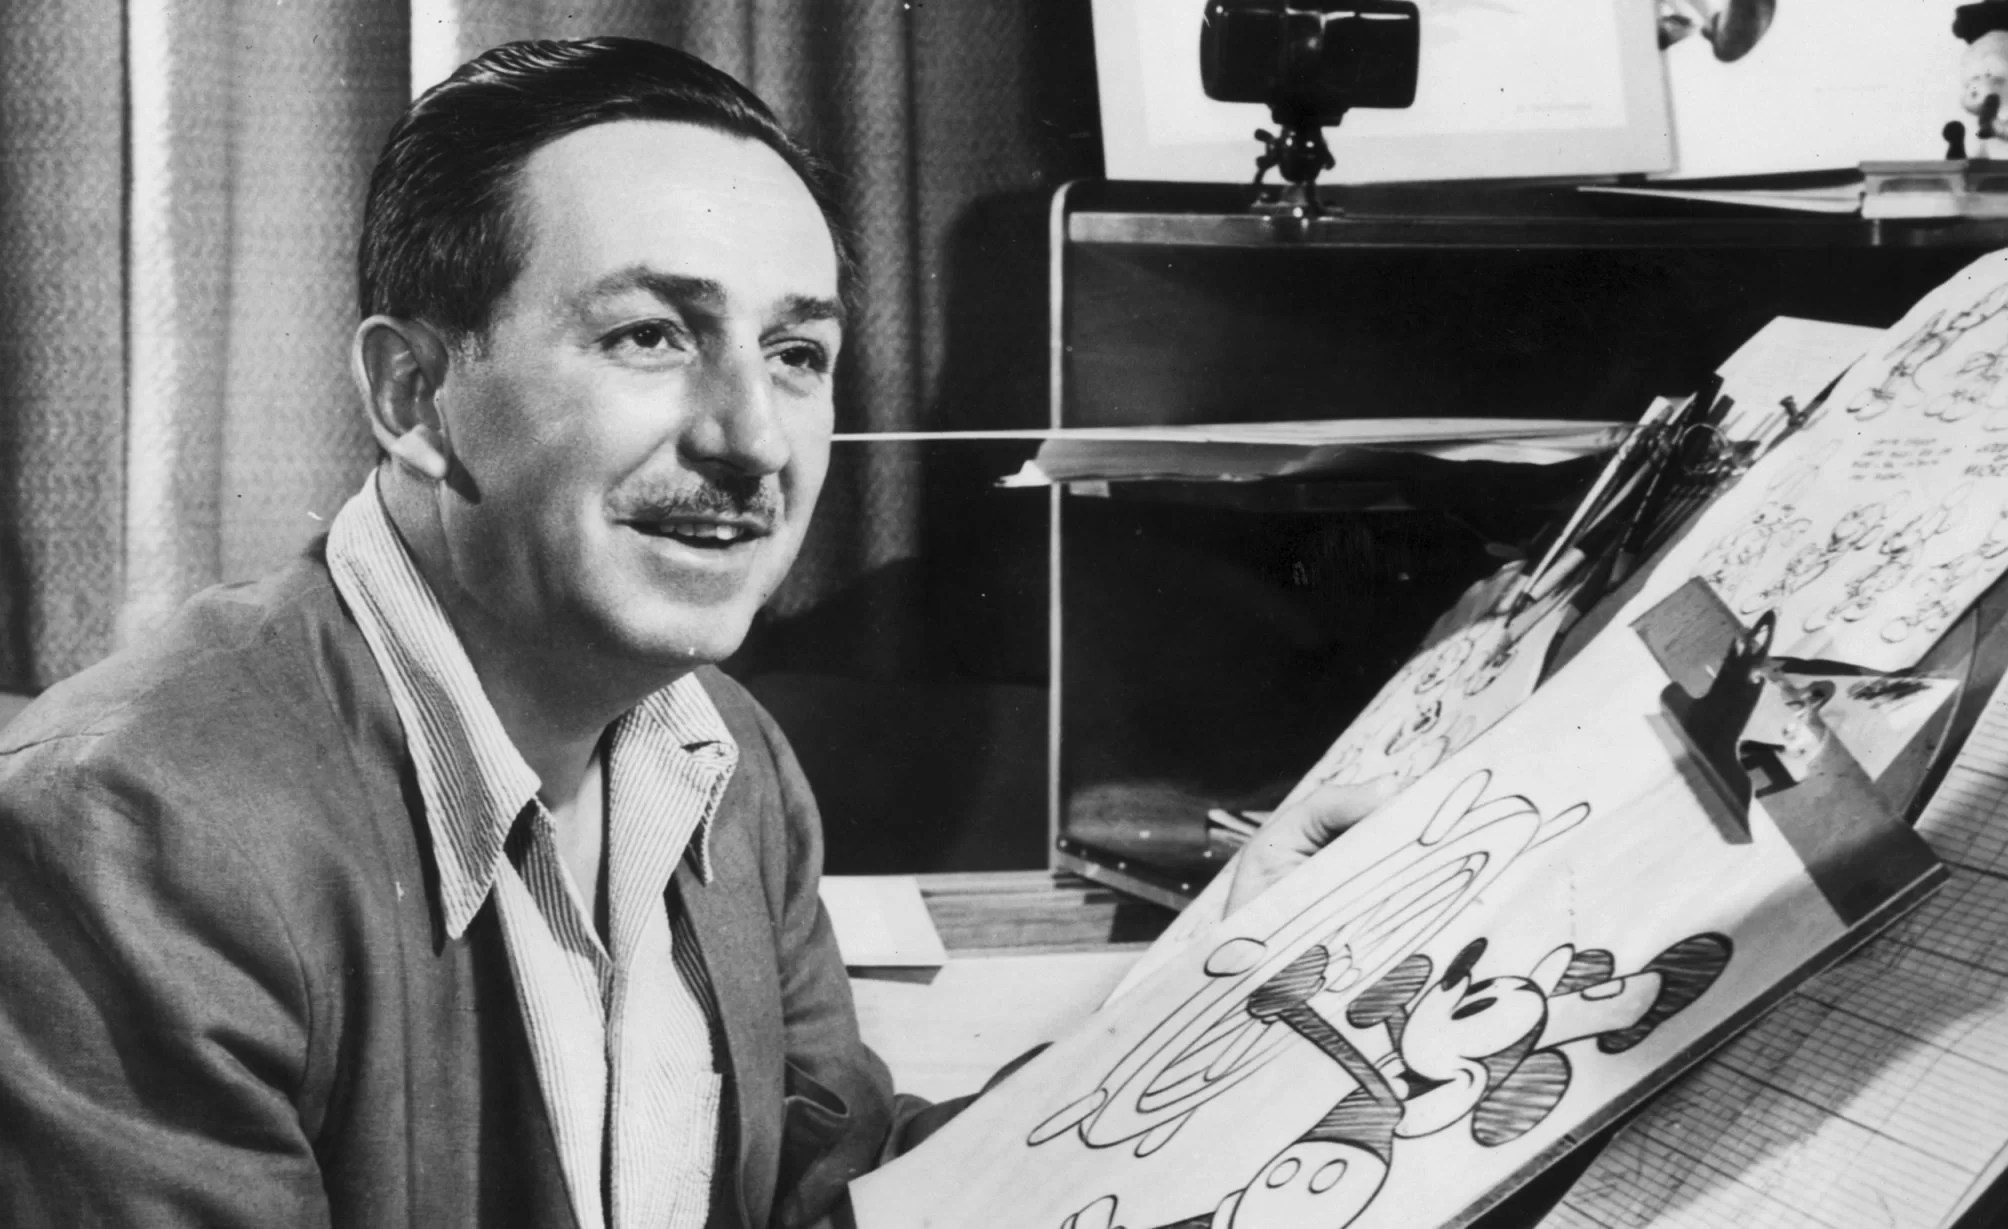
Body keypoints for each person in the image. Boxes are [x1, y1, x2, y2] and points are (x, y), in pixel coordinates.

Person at [0, 36, 1381, 1229]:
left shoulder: (727, 753)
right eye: (652, 335)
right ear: (414, 394)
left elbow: (833, 1196)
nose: (752, 439)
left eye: (796, 355)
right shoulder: (128, 840)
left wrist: (1230, 967)